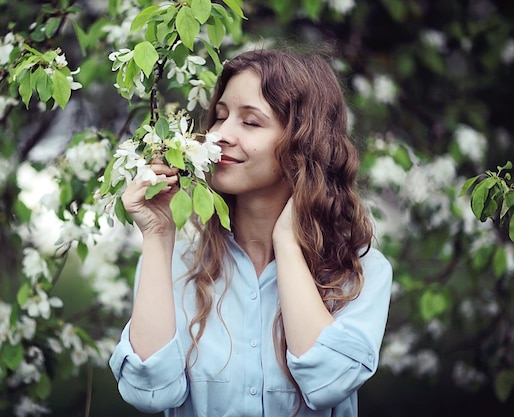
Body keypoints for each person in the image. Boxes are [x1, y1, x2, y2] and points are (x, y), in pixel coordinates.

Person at [109, 48, 393, 417]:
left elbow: (328, 383)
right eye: (221, 116)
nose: (219, 136)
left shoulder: (359, 272)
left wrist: (288, 244)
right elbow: (148, 393)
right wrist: (158, 235)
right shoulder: (176, 264)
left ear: (303, 144)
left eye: (251, 122)